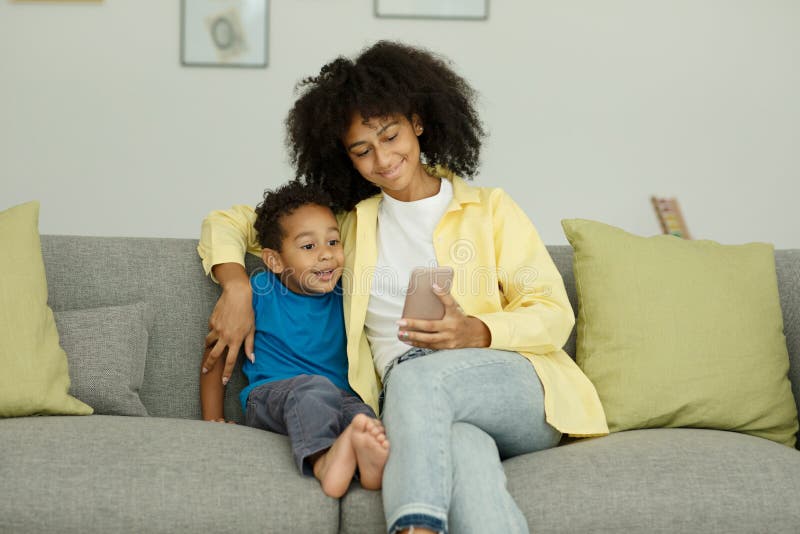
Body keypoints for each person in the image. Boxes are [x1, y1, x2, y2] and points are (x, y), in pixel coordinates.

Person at [198, 41, 609, 534]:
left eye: (391, 136)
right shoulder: (349, 222)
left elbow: (552, 311)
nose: (383, 159)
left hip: (511, 385)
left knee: (419, 378)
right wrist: (237, 285)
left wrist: (476, 330)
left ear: (417, 122)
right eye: (362, 150)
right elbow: (230, 222)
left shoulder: (491, 209)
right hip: (413, 399)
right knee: (463, 450)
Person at [199, 181, 389, 499]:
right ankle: (322, 461)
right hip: (273, 395)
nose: (327, 255)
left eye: (332, 241)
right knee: (312, 389)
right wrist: (212, 419)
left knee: (363, 418)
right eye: (308, 247)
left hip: (339, 396)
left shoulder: (346, 296)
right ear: (274, 261)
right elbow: (215, 353)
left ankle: (368, 468)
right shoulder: (260, 291)